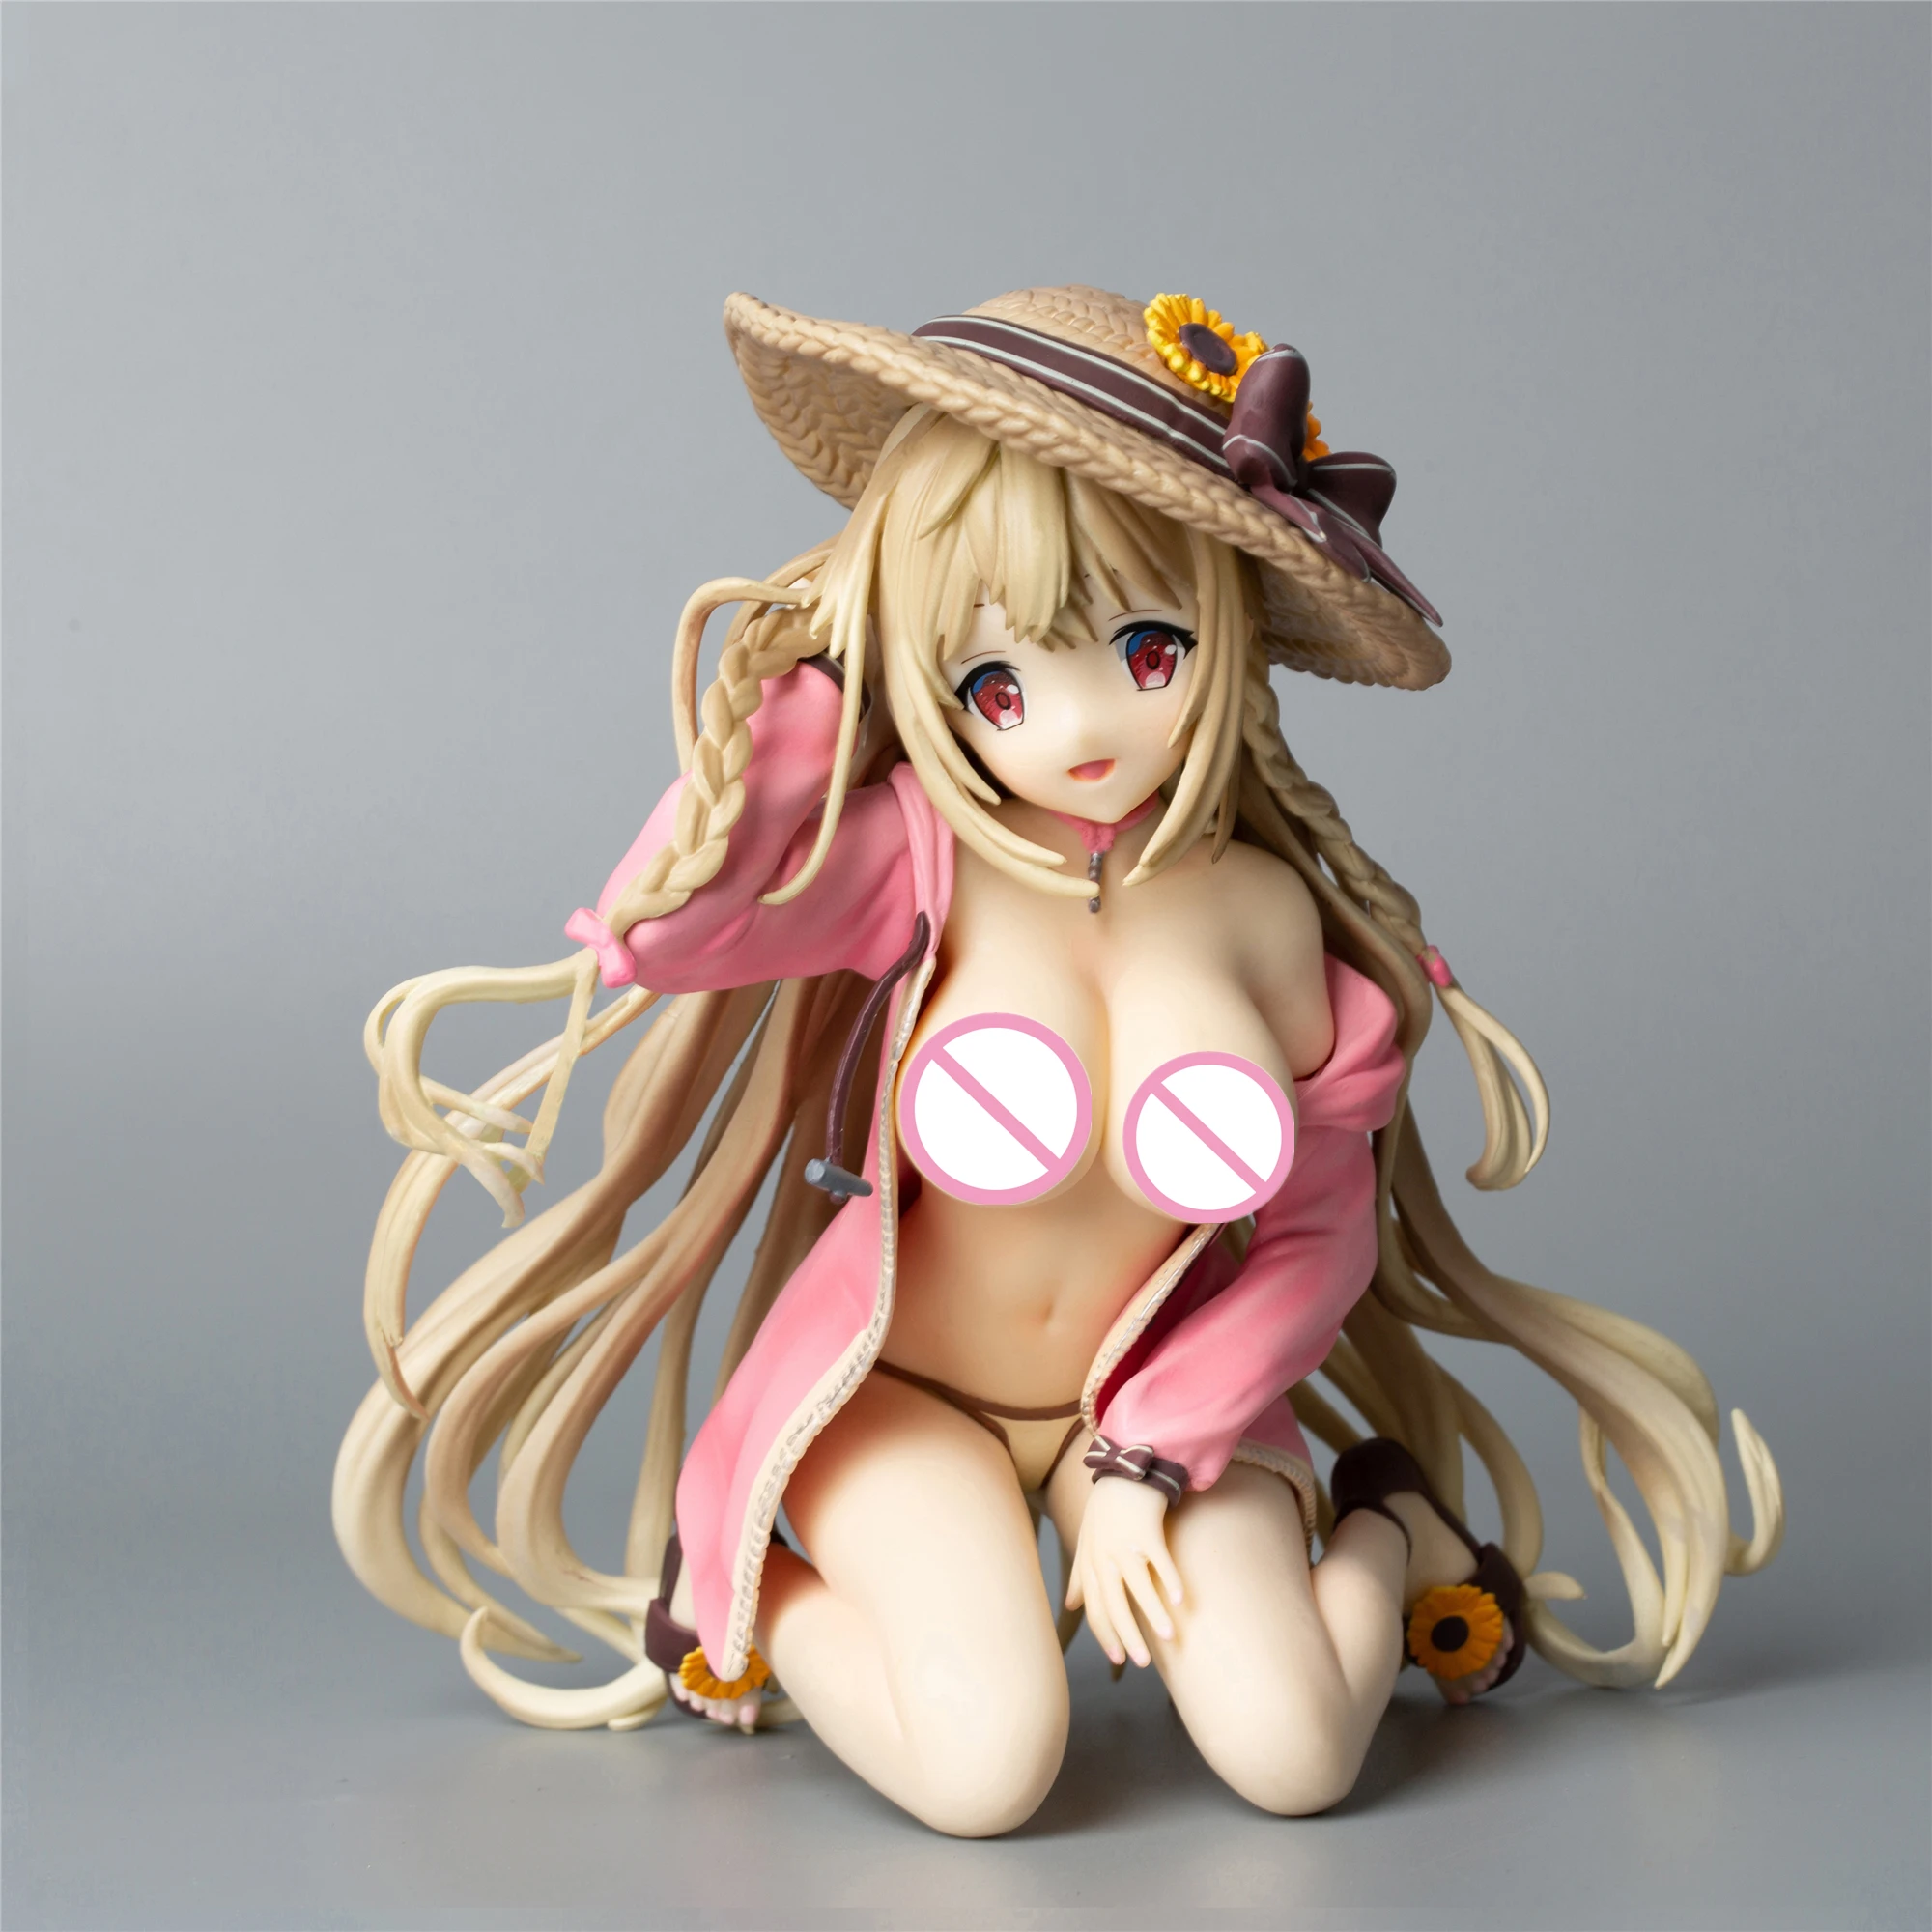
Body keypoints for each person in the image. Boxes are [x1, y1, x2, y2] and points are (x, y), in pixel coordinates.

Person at [336, 285, 1782, 1836]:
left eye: (1149, 649)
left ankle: (1395, 1527)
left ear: (1225, 624)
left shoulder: (1265, 917)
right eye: (999, 685)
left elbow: (1319, 1238)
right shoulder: (919, 860)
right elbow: (667, 932)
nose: (1080, 725)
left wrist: (1152, 1455)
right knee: (987, 1774)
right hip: (908, 1397)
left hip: (1152, 1411)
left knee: (1296, 1758)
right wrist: (806, 699)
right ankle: (740, 1592)